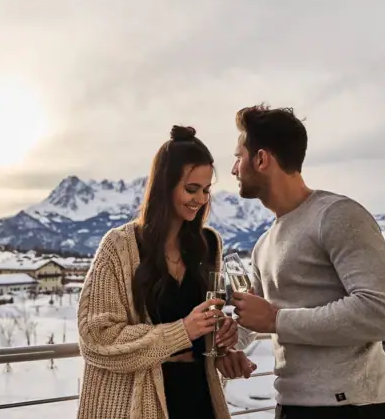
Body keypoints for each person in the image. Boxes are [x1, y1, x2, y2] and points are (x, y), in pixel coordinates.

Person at [229, 104, 385, 419]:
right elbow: (254, 315)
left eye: (238, 157)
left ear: (261, 159)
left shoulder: (337, 215)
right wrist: (229, 347)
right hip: (291, 406)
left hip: (354, 408)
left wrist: (276, 321)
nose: (233, 169)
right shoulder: (262, 245)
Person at [77, 125, 257, 419]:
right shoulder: (119, 246)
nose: (200, 199)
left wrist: (223, 345)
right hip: (140, 402)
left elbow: (202, 326)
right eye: (191, 189)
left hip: (199, 397)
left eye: (206, 190)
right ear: (164, 185)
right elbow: (96, 337)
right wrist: (182, 330)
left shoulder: (208, 244)